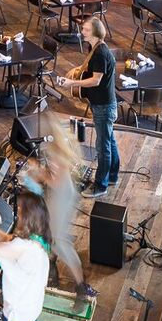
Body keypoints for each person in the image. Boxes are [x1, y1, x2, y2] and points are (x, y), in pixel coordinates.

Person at [27, 124, 97, 298]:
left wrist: (38, 173)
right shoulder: (56, 149)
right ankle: (52, 265)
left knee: (59, 240)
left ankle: (80, 284)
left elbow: (55, 182)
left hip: (61, 196)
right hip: (60, 195)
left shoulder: (56, 154)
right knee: (51, 234)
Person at [56, 16, 118, 196]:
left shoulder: (100, 53)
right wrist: (77, 70)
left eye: (86, 30)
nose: (82, 32)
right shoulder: (95, 48)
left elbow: (96, 80)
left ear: (96, 33)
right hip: (103, 104)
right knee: (110, 141)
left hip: (103, 106)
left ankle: (101, 186)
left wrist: (72, 83)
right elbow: (92, 69)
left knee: (103, 147)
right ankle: (112, 176)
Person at [0, 190, 52, 321]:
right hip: (32, 305)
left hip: (18, 313)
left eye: (19, 209)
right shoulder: (38, 238)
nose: (16, 212)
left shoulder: (22, 247)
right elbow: (8, 240)